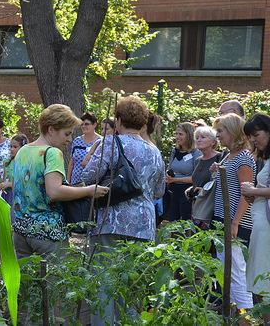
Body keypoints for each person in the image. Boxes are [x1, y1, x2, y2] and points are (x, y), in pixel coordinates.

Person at [81, 96, 166, 326]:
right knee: (134, 285)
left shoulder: (111, 143)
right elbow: (159, 190)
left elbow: (86, 177)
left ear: (118, 120)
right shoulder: (154, 151)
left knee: (104, 282)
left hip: (111, 220)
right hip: (144, 225)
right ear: (142, 122)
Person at [13, 104, 108, 258]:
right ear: (51, 129)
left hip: (20, 231)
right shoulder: (52, 153)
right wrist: (89, 190)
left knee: (26, 280)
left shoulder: (22, 151)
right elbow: (54, 192)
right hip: (48, 232)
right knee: (54, 281)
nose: (70, 139)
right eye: (66, 134)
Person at [212, 113, 254, 310]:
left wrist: (235, 223)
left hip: (235, 222)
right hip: (223, 219)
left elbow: (247, 194)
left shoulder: (244, 158)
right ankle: (234, 314)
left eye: (221, 131)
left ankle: (246, 317)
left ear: (233, 131)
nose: (217, 135)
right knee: (226, 269)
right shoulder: (228, 156)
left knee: (237, 271)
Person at [241, 114, 270, 304]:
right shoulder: (266, 158)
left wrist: (253, 190)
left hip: (266, 225)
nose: (252, 139)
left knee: (263, 270)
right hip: (260, 222)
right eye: (250, 136)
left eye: (256, 134)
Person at [184, 126, 222, 229]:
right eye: (197, 137)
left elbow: (220, 183)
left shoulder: (220, 158)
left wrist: (204, 190)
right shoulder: (198, 160)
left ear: (213, 142)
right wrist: (191, 189)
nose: (199, 140)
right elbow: (196, 181)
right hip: (197, 204)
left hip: (210, 207)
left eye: (203, 137)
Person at [163, 122, 201, 221]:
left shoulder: (196, 153)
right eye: (176, 134)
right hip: (172, 192)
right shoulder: (174, 151)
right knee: (172, 223)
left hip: (187, 193)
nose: (177, 137)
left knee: (185, 224)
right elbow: (169, 168)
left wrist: (175, 179)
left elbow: (196, 178)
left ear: (189, 135)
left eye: (180, 134)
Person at [67, 112, 101, 185]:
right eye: (82, 124)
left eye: (86, 124)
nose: (83, 126)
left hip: (92, 185)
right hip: (75, 183)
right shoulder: (77, 141)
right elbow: (71, 163)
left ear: (94, 124)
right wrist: (68, 181)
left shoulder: (101, 142)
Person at [0, 134, 28, 214]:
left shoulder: (25, 163)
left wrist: (9, 184)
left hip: (19, 196)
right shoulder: (7, 162)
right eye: (10, 146)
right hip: (7, 195)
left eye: (15, 147)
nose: (11, 149)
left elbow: (25, 182)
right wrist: (2, 184)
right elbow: (4, 178)